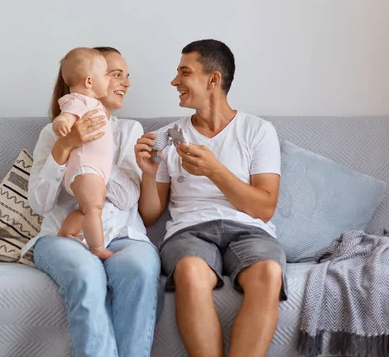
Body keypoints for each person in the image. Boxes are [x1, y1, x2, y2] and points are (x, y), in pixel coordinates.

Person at [136, 39, 287, 357]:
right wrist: (148, 173)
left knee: (269, 273)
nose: (175, 81)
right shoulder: (170, 136)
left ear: (213, 79)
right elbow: (150, 215)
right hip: (189, 232)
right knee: (190, 272)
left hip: (250, 230)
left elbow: (264, 208)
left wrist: (214, 170)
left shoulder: (257, 131)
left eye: (184, 72)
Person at [24, 47, 162, 357]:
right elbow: (39, 203)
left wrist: (95, 153)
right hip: (63, 237)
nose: (125, 83)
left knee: (139, 271)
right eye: (116, 74)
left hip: (124, 237)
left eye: (127, 76)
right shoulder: (53, 133)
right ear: (91, 80)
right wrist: (66, 147)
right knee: (86, 275)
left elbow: (127, 197)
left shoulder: (129, 131)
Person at [52, 47, 114, 260]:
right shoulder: (79, 100)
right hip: (85, 168)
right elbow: (67, 115)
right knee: (94, 208)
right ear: (89, 81)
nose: (109, 79)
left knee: (87, 209)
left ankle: (66, 233)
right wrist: (62, 122)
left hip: (92, 170)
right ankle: (97, 248)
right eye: (106, 74)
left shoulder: (93, 104)